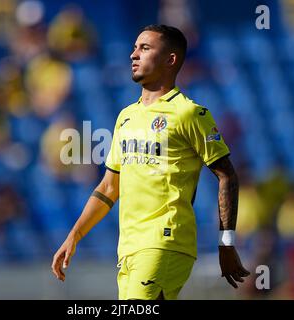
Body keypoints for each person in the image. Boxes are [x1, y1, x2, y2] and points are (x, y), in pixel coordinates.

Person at [51, 24, 250, 300]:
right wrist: (74, 235)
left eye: (144, 48)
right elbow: (109, 187)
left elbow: (227, 175)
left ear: (171, 60)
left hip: (165, 240)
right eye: (134, 48)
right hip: (129, 248)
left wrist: (226, 243)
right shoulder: (126, 117)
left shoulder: (190, 114)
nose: (134, 55)